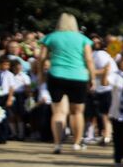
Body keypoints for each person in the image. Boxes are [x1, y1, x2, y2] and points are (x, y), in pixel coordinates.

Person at [38, 13, 95, 154]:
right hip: (79, 77)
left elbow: (41, 58)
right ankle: (76, 142)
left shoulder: (51, 37)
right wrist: (92, 78)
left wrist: (40, 73)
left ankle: (57, 144)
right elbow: (89, 60)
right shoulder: (83, 39)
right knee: (77, 112)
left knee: (58, 111)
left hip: (56, 75)